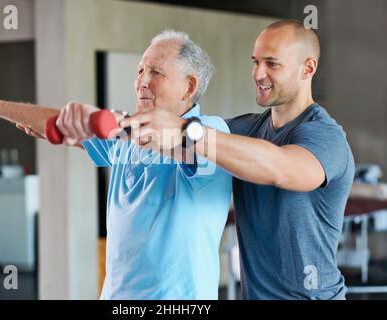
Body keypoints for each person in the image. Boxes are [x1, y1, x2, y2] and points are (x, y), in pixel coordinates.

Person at [0, 30, 232, 299]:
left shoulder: (209, 132)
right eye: (140, 71)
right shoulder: (125, 135)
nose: (142, 81)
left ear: (189, 86)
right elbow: (56, 121)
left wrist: (107, 121)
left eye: (156, 72)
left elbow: (175, 139)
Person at [120, 20, 355, 300]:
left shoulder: (326, 136)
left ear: (307, 68)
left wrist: (187, 133)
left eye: (272, 64)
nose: (258, 73)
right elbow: (175, 134)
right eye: (255, 62)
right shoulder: (245, 129)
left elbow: (282, 169)